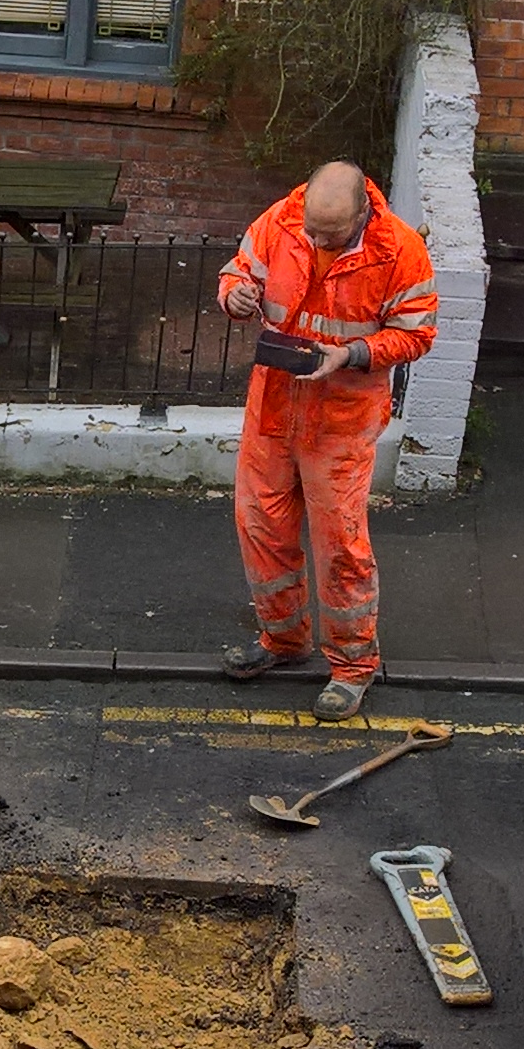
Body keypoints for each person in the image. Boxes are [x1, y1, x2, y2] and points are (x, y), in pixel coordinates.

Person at [214, 160, 438, 721]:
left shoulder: (401, 250)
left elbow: (416, 333)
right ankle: (283, 641)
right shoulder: (281, 220)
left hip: (341, 417)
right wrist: (235, 295)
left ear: (364, 210)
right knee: (261, 526)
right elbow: (241, 271)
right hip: (274, 404)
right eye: (312, 229)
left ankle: (353, 667)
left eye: (330, 235)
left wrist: (351, 355)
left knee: (340, 546)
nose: (315, 240)